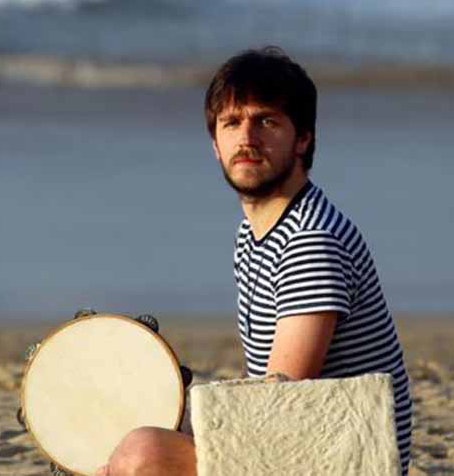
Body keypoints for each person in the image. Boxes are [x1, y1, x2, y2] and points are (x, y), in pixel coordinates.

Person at [96, 46, 412, 476]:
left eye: (266, 121)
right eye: (231, 123)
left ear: (303, 138)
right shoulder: (255, 232)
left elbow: (280, 397)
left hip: (346, 459)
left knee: (142, 454)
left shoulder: (310, 240)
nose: (246, 138)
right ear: (215, 144)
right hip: (303, 438)